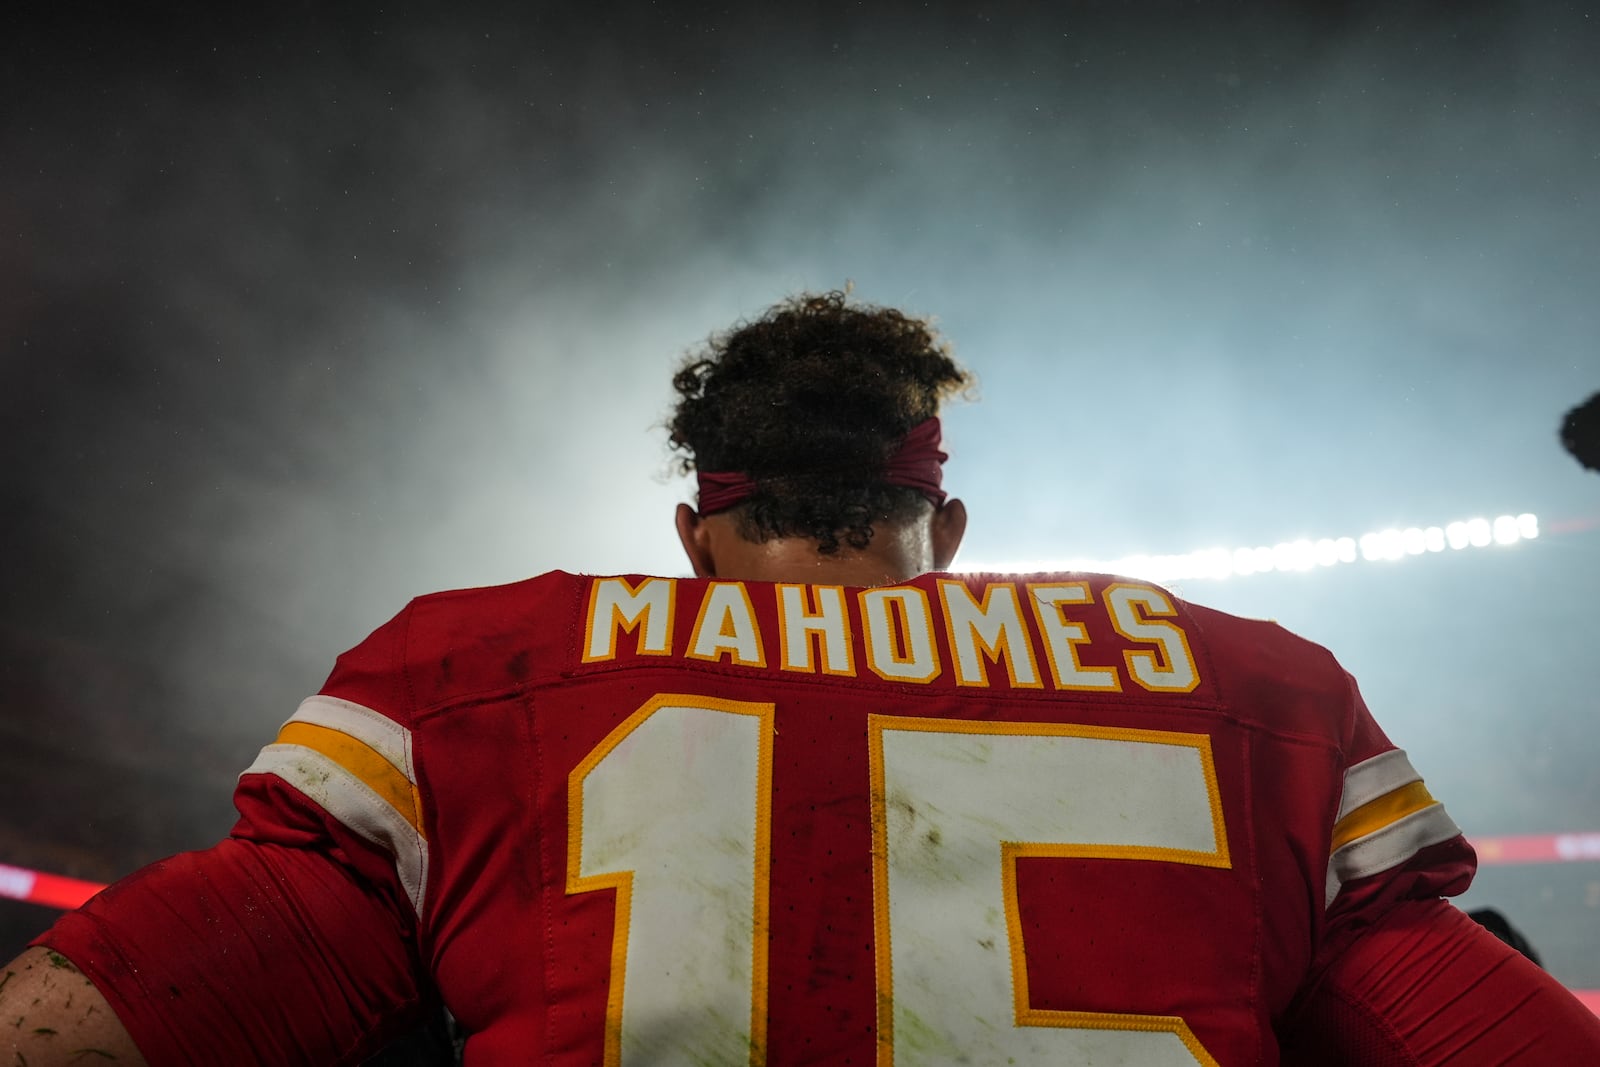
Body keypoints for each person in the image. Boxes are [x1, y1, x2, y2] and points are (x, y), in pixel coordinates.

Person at [3, 291, 1598, 1065]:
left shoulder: (468, 671)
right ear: (948, 524)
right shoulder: (1262, 693)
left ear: (697, 532)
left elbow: (104, 1020)